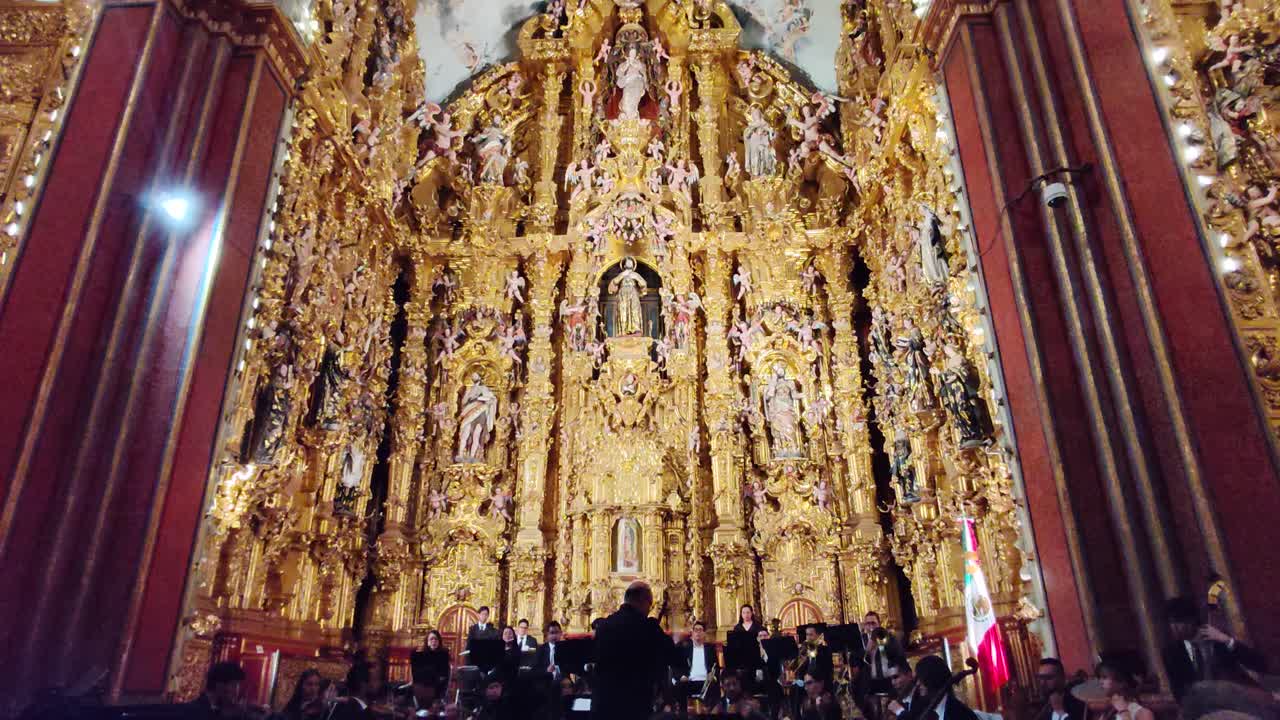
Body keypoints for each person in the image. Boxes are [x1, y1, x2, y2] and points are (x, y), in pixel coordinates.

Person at [592, 580, 674, 720]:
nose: (649, 610)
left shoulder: (604, 626)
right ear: (643, 601)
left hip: (604, 705)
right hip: (634, 705)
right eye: (650, 604)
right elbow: (671, 656)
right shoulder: (648, 627)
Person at [1161, 596, 1266, 700]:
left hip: (1235, 702)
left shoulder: (1218, 642)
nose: (1173, 627)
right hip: (1202, 709)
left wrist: (1227, 640)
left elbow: (1259, 664)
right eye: (1171, 622)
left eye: (1178, 622)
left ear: (1191, 620)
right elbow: (1178, 693)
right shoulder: (1171, 652)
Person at [901, 655, 979, 720]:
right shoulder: (925, 708)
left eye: (921, 678)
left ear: (933, 678)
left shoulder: (960, 714)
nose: (917, 683)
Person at [678, 621, 719, 707]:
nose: (698, 632)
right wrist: (682, 676)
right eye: (696, 630)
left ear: (704, 633)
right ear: (692, 633)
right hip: (690, 681)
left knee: (715, 687)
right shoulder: (685, 648)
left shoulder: (710, 649)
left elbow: (716, 667)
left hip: (706, 682)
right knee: (680, 686)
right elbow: (678, 665)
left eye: (700, 630)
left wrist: (713, 677)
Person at [411, 630, 451, 702]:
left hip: (438, 685)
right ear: (427, 642)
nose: (433, 641)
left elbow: (443, 675)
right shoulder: (422, 654)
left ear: (439, 641)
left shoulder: (444, 654)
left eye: (435, 639)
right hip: (423, 684)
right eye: (431, 639)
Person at [798, 625, 834, 690]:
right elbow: (800, 672)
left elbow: (827, 671)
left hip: (821, 685)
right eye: (807, 635)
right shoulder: (804, 651)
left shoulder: (825, 650)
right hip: (806, 685)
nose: (808, 637)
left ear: (818, 636)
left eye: (811, 635)